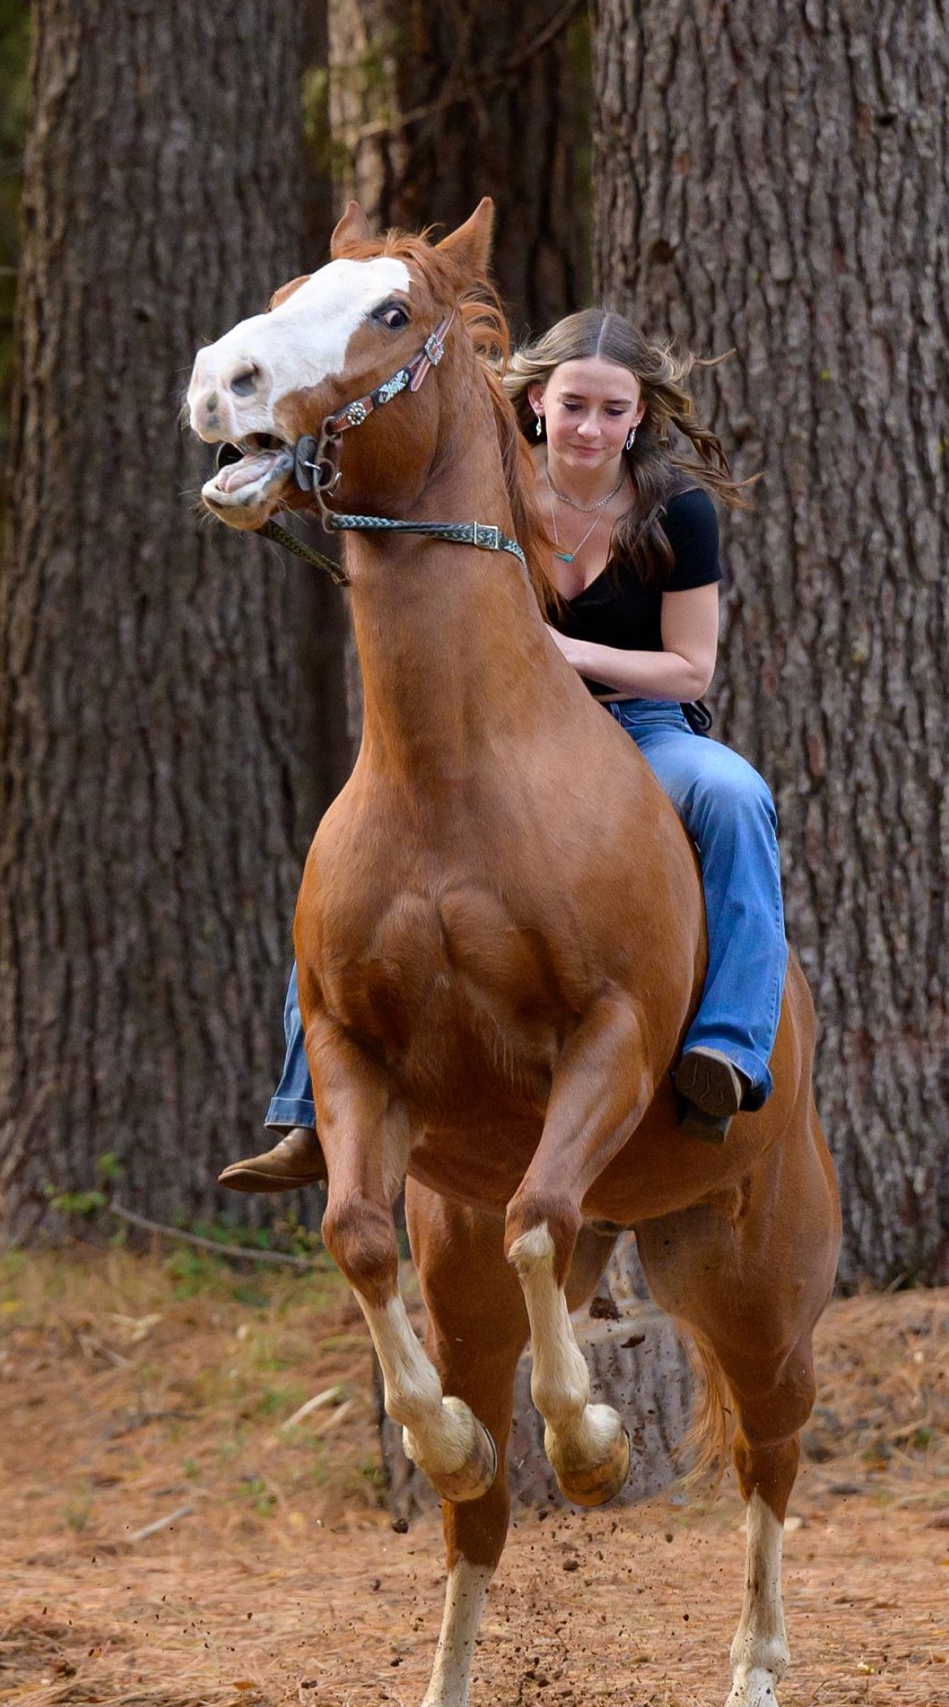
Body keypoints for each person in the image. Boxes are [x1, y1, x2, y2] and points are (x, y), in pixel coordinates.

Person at [219, 307, 789, 1193]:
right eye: (573, 406)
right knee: (345, 853)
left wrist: (563, 650)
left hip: (638, 732)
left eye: (611, 409)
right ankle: (304, 1110)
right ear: (535, 403)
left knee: (735, 796)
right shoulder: (489, 479)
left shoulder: (677, 509)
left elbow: (689, 669)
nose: (590, 428)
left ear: (639, 415)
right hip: (498, 738)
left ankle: (729, 1046)